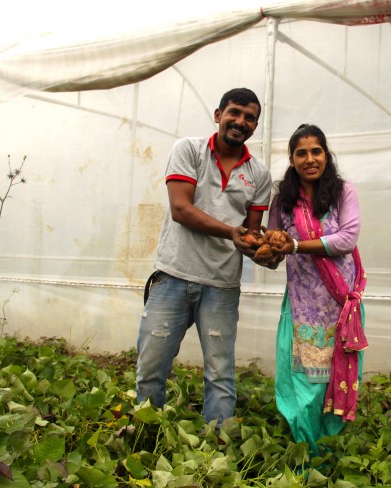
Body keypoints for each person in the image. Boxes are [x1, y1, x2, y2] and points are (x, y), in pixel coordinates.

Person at [135, 88, 272, 427]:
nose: (241, 121)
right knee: (152, 366)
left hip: (222, 285)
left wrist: (268, 250)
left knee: (220, 374)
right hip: (173, 275)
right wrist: (231, 233)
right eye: (235, 112)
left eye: (249, 117)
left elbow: (250, 233)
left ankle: (216, 450)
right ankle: (145, 435)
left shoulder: (259, 174)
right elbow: (181, 209)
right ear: (218, 114)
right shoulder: (189, 150)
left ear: (255, 126)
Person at [263, 123, 368, 454]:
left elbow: (346, 240)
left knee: (330, 382)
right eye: (301, 153)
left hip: (338, 304)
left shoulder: (343, 192)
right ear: (292, 160)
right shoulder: (282, 201)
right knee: (305, 383)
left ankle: (327, 445)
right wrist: (264, 249)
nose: (310, 159)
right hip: (301, 307)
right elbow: (273, 249)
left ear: (326, 154)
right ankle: (307, 450)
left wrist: (294, 245)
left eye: (316, 151)